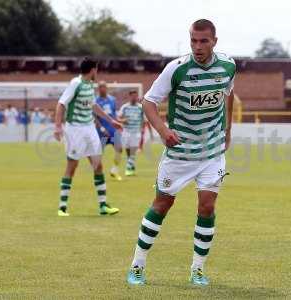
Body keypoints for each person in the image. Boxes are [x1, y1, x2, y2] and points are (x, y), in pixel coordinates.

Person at [126, 19, 236, 286]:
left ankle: (197, 269)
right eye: (193, 41)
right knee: (163, 204)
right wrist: (164, 131)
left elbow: (228, 94)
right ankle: (137, 265)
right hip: (179, 153)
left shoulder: (229, 66)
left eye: (203, 41)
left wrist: (228, 130)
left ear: (214, 41)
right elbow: (149, 101)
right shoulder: (176, 69)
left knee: (207, 206)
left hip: (211, 151)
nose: (197, 47)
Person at [53, 58, 122, 217]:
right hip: (75, 129)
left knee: (98, 165)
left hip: (89, 128)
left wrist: (111, 121)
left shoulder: (90, 85)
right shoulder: (75, 83)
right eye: (96, 69)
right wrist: (58, 127)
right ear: (92, 70)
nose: (97, 72)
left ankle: (103, 206)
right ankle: (62, 207)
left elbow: (94, 106)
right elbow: (61, 104)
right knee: (72, 166)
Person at [95, 81, 123, 181]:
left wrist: (119, 123)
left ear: (106, 88)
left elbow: (114, 115)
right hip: (101, 132)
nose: (102, 89)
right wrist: (102, 128)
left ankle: (114, 170)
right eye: (100, 87)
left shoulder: (112, 99)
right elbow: (95, 117)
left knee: (119, 149)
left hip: (113, 131)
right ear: (98, 89)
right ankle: (98, 173)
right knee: (98, 153)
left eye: (104, 87)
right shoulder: (95, 101)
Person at [118, 90, 144, 176]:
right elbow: (118, 118)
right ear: (129, 97)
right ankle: (131, 166)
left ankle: (128, 169)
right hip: (126, 132)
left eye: (136, 96)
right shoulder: (124, 107)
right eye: (133, 96)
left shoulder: (140, 107)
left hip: (136, 132)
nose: (134, 98)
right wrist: (123, 120)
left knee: (133, 150)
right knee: (128, 150)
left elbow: (144, 120)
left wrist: (142, 129)